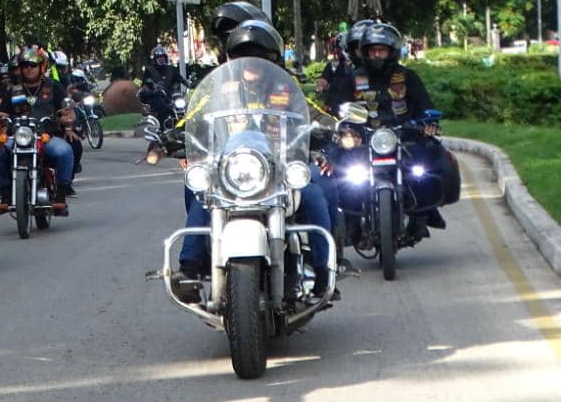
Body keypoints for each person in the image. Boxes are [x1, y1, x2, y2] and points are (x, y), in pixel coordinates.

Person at [173, 19, 338, 304]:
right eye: (242, 55)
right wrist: (173, 136)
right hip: (233, 168)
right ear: (231, 58)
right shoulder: (219, 89)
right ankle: (191, 267)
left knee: (313, 194)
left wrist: (335, 127)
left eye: (258, 55)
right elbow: (193, 117)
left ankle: (325, 272)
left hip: (282, 166)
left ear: (272, 58)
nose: (250, 62)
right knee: (200, 193)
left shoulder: (287, 88)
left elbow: (312, 111)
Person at [326, 21, 461, 240]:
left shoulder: (407, 77)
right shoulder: (353, 78)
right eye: (373, 50)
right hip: (363, 138)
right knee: (341, 167)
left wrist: (427, 123)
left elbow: (424, 105)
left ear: (391, 52)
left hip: (405, 136)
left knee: (428, 161)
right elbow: (338, 109)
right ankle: (350, 220)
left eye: (382, 50)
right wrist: (346, 128)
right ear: (365, 52)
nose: (377, 55)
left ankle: (423, 214)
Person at [0, 45, 75, 215]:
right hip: (17, 137)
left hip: (45, 136)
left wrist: (67, 120)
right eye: (25, 65)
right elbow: (2, 113)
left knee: (65, 151)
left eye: (33, 65)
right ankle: (6, 193)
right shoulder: (13, 90)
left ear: (42, 67)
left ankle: (61, 196)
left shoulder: (53, 86)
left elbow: (67, 109)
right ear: (20, 68)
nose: (29, 69)